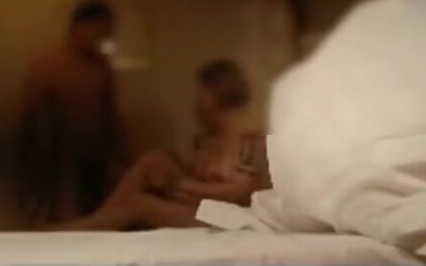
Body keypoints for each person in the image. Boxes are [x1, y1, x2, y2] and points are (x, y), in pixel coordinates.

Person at [53, 59, 270, 231]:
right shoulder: (210, 137)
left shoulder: (249, 139)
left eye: (200, 92)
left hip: (227, 217)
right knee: (156, 159)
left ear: (212, 95)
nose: (195, 102)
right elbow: (196, 178)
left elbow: (241, 192)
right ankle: (93, 222)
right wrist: (175, 182)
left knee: (139, 204)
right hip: (202, 203)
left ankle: (80, 230)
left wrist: (180, 185)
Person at [19, 0, 128, 227]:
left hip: (96, 159)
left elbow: (110, 116)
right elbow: (31, 121)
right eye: (100, 31)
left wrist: (118, 158)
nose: (103, 38)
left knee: (99, 218)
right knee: (65, 217)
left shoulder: (102, 67)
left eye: (107, 33)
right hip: (59, 160)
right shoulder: (48, 66)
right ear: (79, 27)